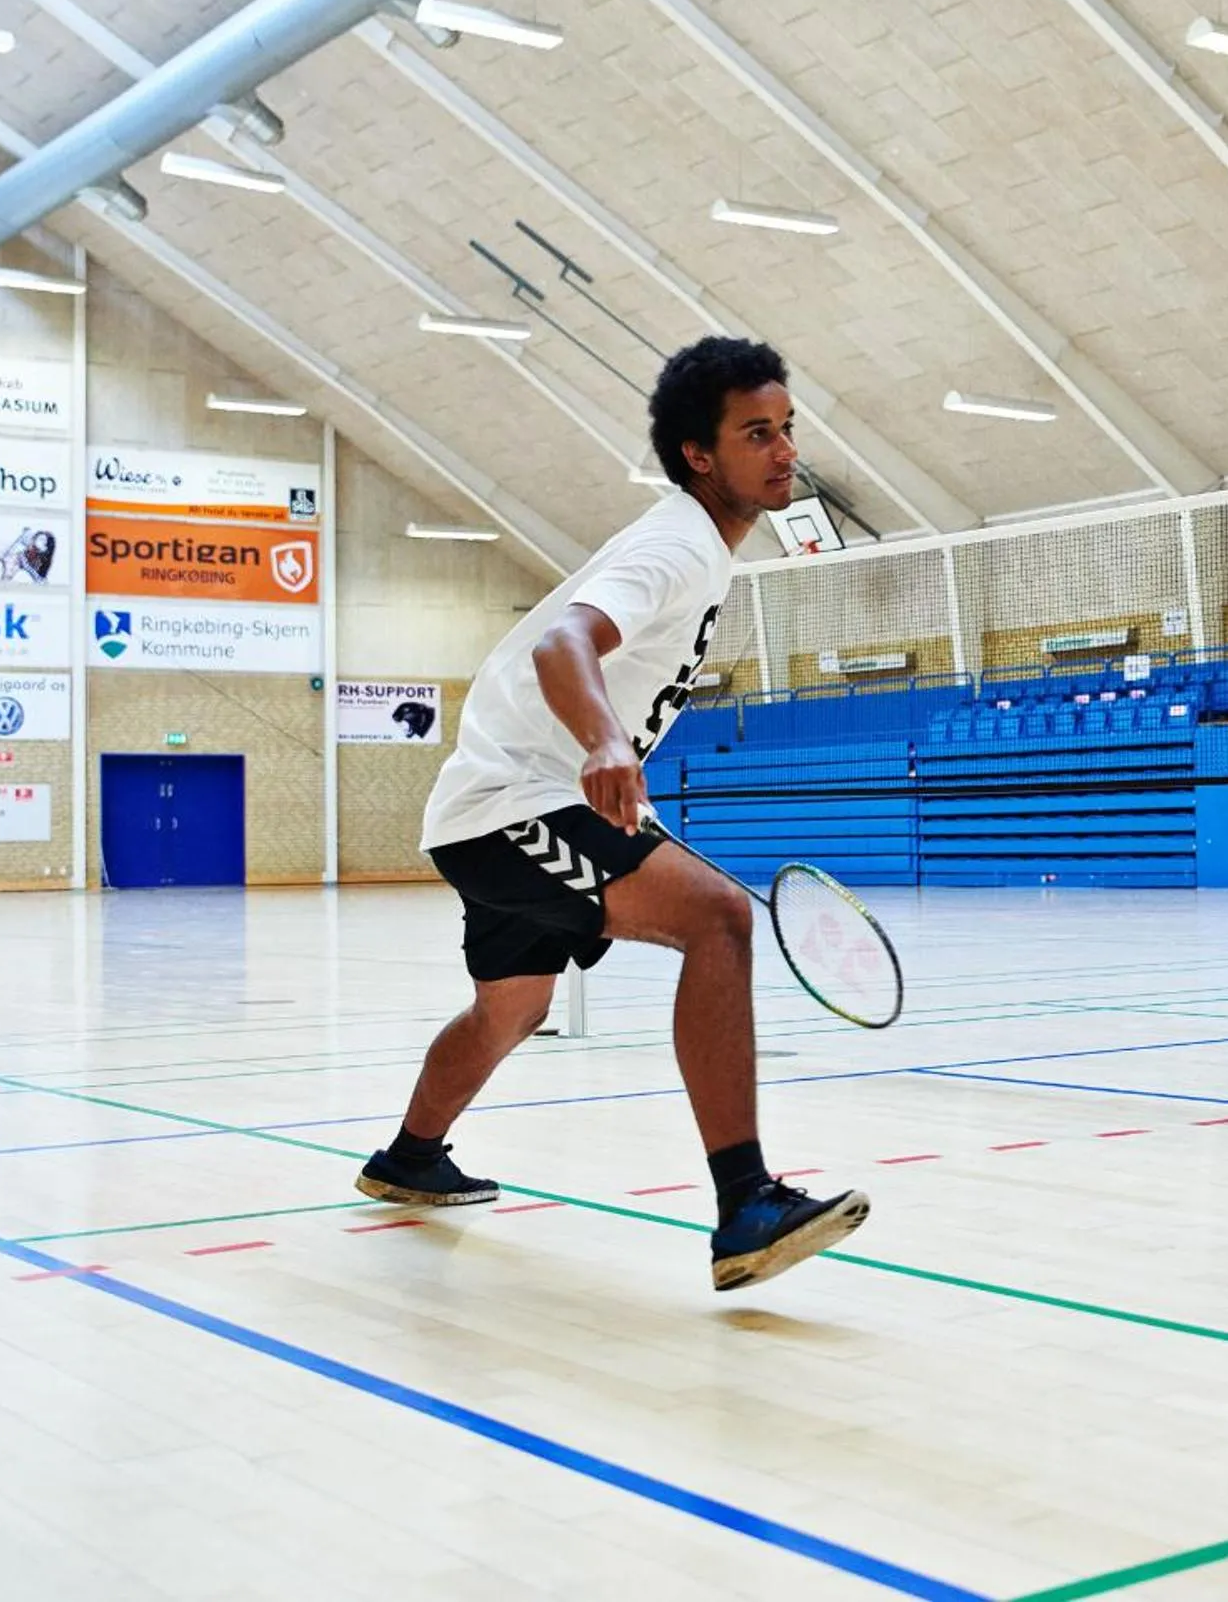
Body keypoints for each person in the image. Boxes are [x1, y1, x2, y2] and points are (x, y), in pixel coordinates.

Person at [356, 336, 869, 1292]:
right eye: (757, 433)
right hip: (515, 798)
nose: (786, 449)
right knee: (718, 918)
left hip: (494, 799)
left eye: (788, 428)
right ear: (698, 456)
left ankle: (410, 1157)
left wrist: (602, 749)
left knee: (515, 1003)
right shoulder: (675, 545)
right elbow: (564, 645)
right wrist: (602, 741)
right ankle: (746, 1203)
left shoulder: (706, 550)